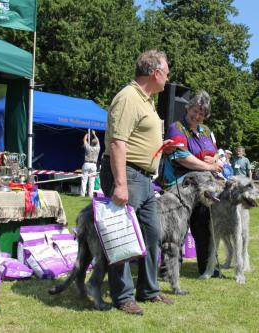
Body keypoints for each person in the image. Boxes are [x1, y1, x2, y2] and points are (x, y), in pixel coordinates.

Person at [98, 50, 174, 315]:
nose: (168, 78)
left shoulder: (147, 100)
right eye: (166, 72)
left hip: (142, 177)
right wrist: (119, 184)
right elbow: (118, 142)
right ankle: (123, 297)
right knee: (121, 235)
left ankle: (149, 290)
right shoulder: (129, 97)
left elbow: (136, 137)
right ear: (155, 73)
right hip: (126, 174)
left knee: (152, 233)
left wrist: (158, 147)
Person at [162, 90, 223, 276]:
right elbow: (182, 157)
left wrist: (216, 161)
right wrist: (208, 166)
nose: (197, 116)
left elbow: (216, 154)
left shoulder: (206, 131)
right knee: (176, 230)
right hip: (180, 187)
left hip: (203, 189)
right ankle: (169, 271)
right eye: (195, 111)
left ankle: (208, 268)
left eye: (202, 113)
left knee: (204, 228)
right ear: (188, 108)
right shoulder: (176, 128)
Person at [80, 130, 100, 198]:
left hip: (87, 164)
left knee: (84, 180)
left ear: (91, 143)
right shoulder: (98, 148)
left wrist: (86, 135)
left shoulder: (88, 147)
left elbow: (84, 140)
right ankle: (90, 195)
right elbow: (98, 141)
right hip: (94, 165)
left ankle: (82, 194)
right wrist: (94, 134)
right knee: (92, 181)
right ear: (96, 143)